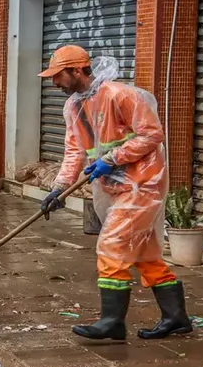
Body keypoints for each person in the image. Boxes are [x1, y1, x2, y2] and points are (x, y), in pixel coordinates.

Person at [39, 45, 191, 341]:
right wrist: (59, 188)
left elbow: (152, 134)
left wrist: (111, 159)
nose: (54, 82)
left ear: (78, 70)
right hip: (115, 186)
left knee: (112, 245)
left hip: (143, 184)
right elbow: (74, 151)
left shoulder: (121, 95)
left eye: (58, 76)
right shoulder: (73, 106)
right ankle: (176, 317)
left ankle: (112, 322)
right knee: (143, 253)